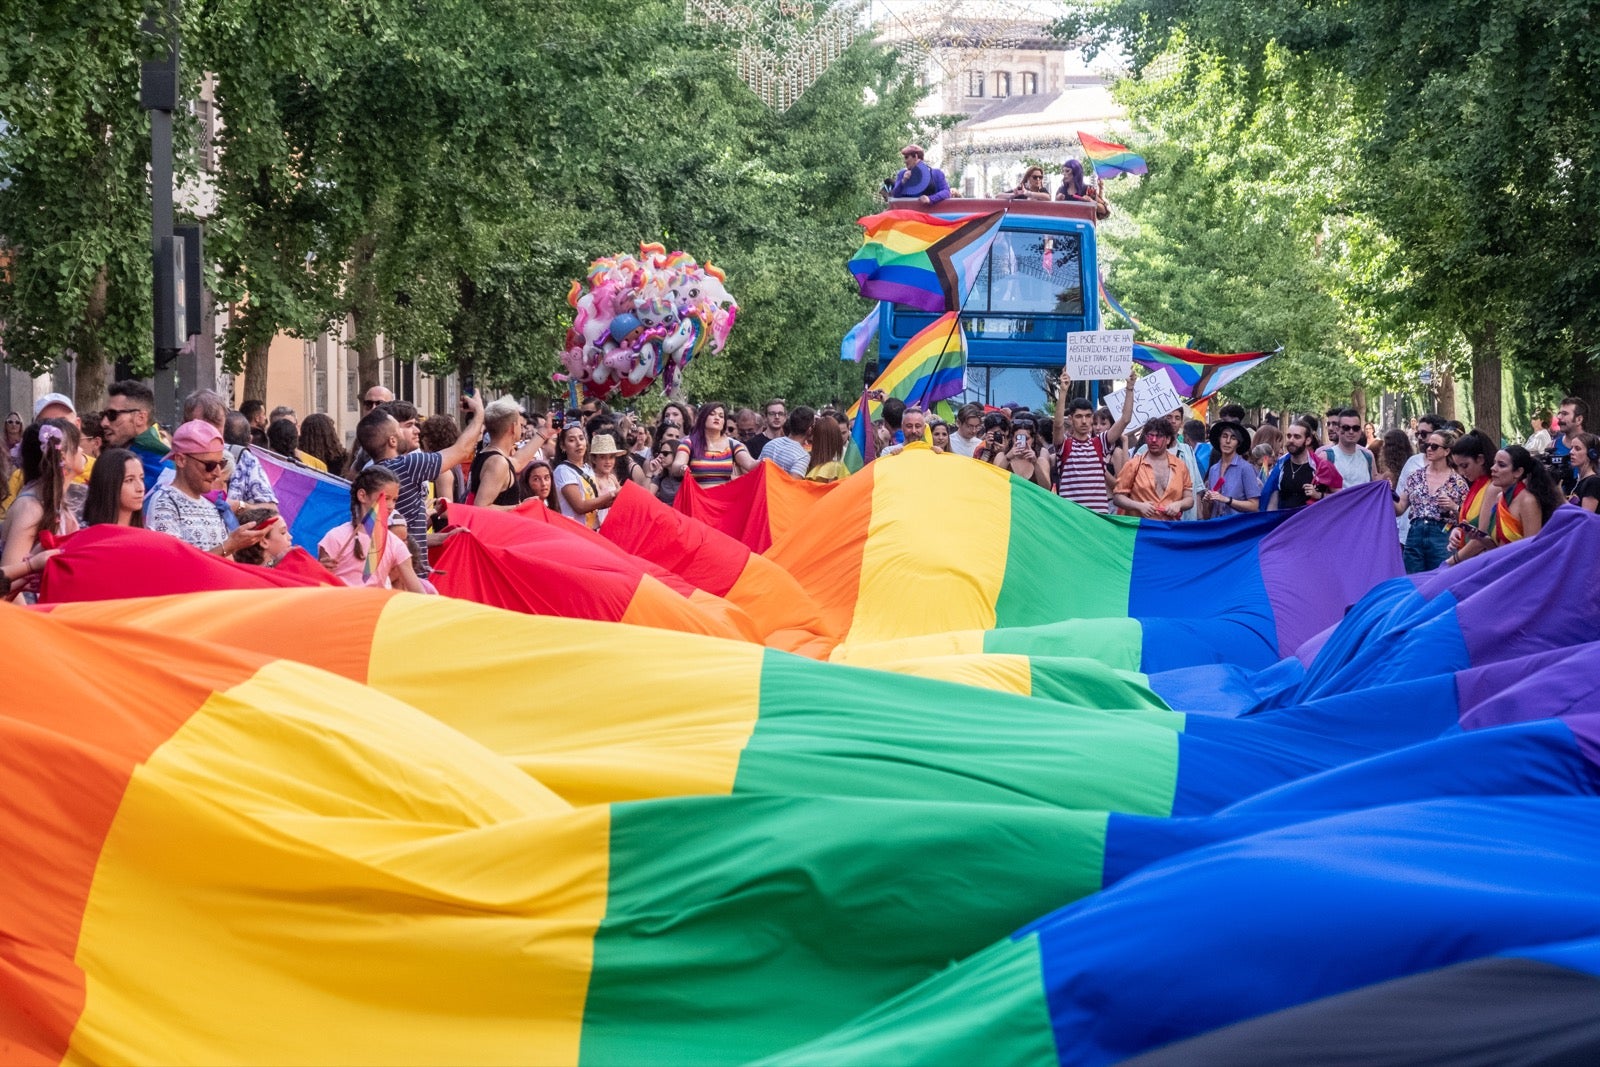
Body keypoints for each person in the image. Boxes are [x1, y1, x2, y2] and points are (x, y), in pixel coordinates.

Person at [360, 393, 483, 578]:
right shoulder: (407, 465)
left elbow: (400, 537)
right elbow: (462, 450)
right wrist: (479, 413)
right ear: (392, 439)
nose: (418, 430)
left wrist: (442, 538)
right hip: (409, 581)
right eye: (408, 426)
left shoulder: (368, 474)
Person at [144, 421, 270, 557]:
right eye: (209, 465)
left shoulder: (211, 506)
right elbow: (174, 565)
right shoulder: (165, 503)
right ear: (181, 460)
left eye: (221, 464)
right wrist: (230, 545)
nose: (217, 473)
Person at [1, 420, 86, 601]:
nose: (81, 450)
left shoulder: (56, 503)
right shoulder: (30, 509)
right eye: (77, 446)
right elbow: (8, 579)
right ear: (62, 456)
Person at [318, 466, 428, 591]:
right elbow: (319, 583)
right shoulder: (335, 537)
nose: (391, 506)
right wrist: (318, 570)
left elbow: (418, 590)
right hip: (339, 606)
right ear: (362, 495)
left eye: (394, 500)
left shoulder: (395, 544)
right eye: (385, 498)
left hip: (374, 607)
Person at [1450, 446, 1563, 564]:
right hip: (1501, 564)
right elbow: (1498, 548)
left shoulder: (1528, 501)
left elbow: (1532, 550)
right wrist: (1479, 538)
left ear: (1518, 472)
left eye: (1501, 465)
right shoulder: (1500, 498)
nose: (1493, 468)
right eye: (1494, 463)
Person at [1051, 368, 1137, 513]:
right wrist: (1063, 391)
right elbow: (1058, 425)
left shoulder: (1100, 443)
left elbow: (1125, 419)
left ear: (1092, 418)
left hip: (1098, 520)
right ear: (1070, 419)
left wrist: (1129, 388)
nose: (1084, 421)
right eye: (1079, 416)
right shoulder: (1064, 445)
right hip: (1071, 518)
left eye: (1088, 416)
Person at [1395, 429, 1468, 573]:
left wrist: (1454, 506)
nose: (1429, 449)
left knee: (1440, 579)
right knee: (1413, 581)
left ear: (1446, 451)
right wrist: (1386, 494)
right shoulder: (1415, 477)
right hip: (1415, 533)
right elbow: (1400, 508)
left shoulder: (1458, 481)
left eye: (1434, 446)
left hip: (1442, 534)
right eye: (1427, 445)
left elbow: (1469, 517)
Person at [468, 398, 548, 507]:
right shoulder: (498, 463)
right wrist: (520, 507)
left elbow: (518, 461)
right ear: (512, 427)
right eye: (520, 424)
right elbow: (481, 507)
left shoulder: (489, 455)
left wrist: (546, 431)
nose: (523, 429)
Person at [1113, 417, 1194, 519]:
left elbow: (1189, 499)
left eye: (1159, 436)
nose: (1154, 440)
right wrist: (1139, 506)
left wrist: (1179, 504)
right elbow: (1117, 497)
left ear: (1168, 439)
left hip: (1170, 529)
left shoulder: (1180, 466)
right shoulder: (1133, 464)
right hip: (1141, 528)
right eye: (1150, 436)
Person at [669, 402, 757, 487]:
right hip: (697, 499)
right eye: (712, 414)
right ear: (703, 418)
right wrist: (682, 468)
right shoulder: (689, 443)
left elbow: (750, 464)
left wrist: (764, 462)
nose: (717, 418)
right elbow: (676, 466)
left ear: (724, 422)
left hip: (723, 499)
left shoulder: (733, 444)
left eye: (721, 416)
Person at [1264, 418, 1343, 510]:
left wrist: (1319, 495)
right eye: (1289, 436)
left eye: (1297, 437)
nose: (1291, 440)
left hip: (1311, 521)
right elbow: (1273, 499)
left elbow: (1340, 496)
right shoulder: (1280, 465)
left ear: (1308, 440)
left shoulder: (1322, 466)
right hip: (1285, 521)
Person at [553, 424, 617, 529]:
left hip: (593, 530)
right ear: (562, 446)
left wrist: (618, 498)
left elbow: (595, 503)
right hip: (576, 533)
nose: (579, 443)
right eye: (572, 440)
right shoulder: (563, 470)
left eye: (581, 438)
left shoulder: (587, 468)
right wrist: (612, 494)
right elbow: (580, 506)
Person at [1200, 420, 1261, 518]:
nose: (1227, 441)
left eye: (1233, 438)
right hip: (1217, 527)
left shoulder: (1246, 468)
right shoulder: (1213, 469)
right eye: (1224, 436)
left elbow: (1254, 505)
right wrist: (1207, 501)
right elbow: (1207, 514)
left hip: (1237, 527)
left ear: (1238, 443)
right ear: (1219, 439)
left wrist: (1228, 500)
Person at [82, 447, 146, 528]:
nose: (140, 488)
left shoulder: (148, 536)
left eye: (142, 478)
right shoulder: (85, 535)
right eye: (129, 480)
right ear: (108, 484)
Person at [1320, 408, 1376, 486]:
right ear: (1338, 429)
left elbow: (1374, 487)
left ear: (1360, 430)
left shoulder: (1368, 457)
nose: (1351, 431)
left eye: (1355, 428)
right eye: (1346, 428)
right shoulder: (1325, 457)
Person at [761, 407, 814, 477]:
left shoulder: (770, 444)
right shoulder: (802, 456)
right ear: (809, 429)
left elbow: (757, 471)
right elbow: (793, 485)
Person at [805, 413, 849, 483]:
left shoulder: (805, 459)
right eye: (839, 433)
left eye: (843, 433)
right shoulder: (836, 467)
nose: (841, 437)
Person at [1564, 432, 1600, 512]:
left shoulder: (1594, 482)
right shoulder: (1576, 481)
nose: (1571, 452)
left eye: (1577, 448)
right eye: (1571, 448)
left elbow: (1585, 517)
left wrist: (1559, 496)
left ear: (1591, 454)